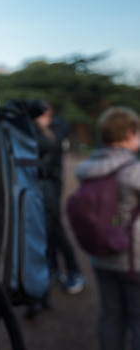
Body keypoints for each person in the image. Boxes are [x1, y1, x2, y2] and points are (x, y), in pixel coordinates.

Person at [74, 106, 140, 350]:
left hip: (100, 255)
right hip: (133, 258)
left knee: (110, 316)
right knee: (136, 318)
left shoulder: (88, 168)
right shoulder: (133, 170)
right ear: (129, 133)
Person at [23, 100, 85, 319]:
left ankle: (73, 271)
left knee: (55, 231)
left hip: (50, 188)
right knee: (47, 234)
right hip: (43, 189)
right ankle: (55, 271)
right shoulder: (41, 132)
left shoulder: (51, 132)